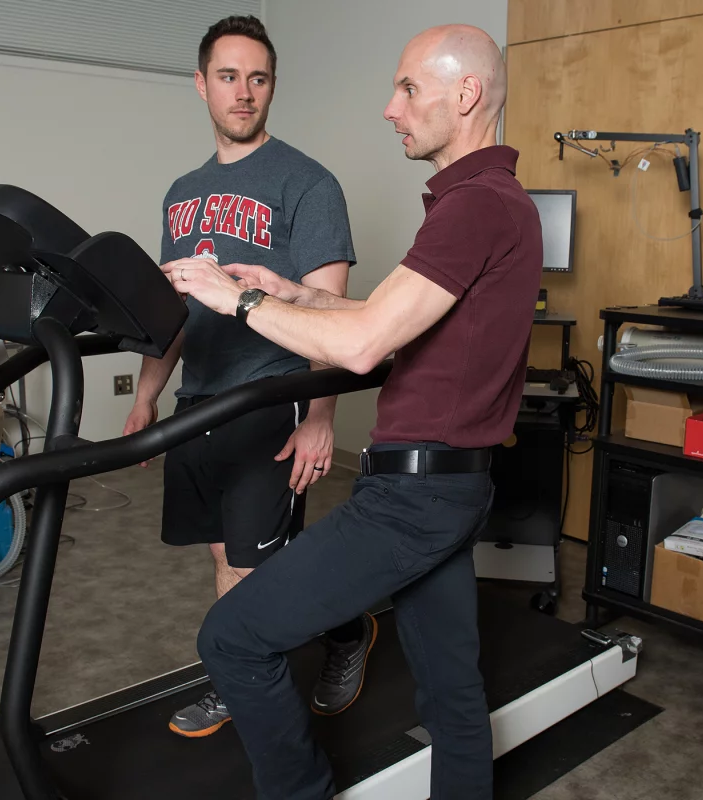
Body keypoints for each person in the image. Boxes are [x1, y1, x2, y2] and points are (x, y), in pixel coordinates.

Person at [163, 23, 542, 800]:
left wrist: (237, 299)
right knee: (450, 690)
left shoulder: (476, 207)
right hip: (449, 486)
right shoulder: (485, 203)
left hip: (414, 499)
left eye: (408, 89)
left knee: (230, 638)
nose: (390, 108)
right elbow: (394, 318)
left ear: (465, 95)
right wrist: (293, 291)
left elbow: (366, 344)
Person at [122, 15, 378, 739]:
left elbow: (329, 311)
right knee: (231, 556)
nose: (244, 92)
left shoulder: (308, 183)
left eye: (258, 78)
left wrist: (321, 417)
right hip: (196, 402)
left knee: (250, 565)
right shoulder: (181, 192)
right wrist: (146, 394)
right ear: (202, 84)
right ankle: (345, 630)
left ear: (272, 87)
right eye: (229, 77)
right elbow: (169, 311)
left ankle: (236, 682)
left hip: (270, 399)